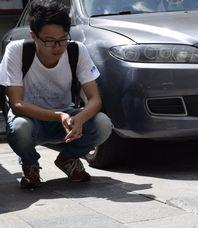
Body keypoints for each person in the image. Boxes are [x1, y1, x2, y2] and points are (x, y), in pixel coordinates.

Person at [0, 0, 113, 189]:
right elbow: (16, 104)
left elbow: (95, 99)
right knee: (20, 128)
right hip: (30, 119)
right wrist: (59, 116)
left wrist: (80, 118)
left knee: (103, 124)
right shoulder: (17, 50)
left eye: (62, 39)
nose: (57, 47)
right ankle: (30, 164)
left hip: (66, 118)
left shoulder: (77, 50)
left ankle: (68, 159)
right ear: (33, 36)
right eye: (49, 41)